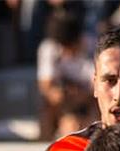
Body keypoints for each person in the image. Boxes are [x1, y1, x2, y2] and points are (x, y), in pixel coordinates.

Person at [37, 7, 96, 140]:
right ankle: (44, 146)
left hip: (89, 101)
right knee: (46, 107)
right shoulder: (49, 48)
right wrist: (62, 97)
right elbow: (46, 87)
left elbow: (98, 87)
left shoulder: (94, 47)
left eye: (68, 46)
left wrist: (80, 97)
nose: (65, 52)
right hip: (62, 105)